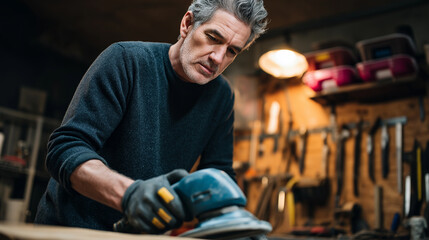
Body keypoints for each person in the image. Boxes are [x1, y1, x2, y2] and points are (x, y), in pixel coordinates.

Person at [35, 0, 268, 234]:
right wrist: (129, 194)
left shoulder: (221, 96)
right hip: (73, 230)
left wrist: (233, 225)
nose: (218, 58)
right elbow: (65, 149)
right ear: (187, 24)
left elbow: (218, 174)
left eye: (231, 51)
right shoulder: (126, 60)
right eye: (213, 38)